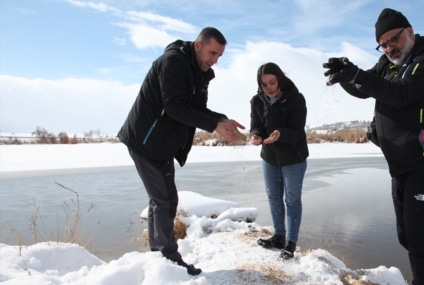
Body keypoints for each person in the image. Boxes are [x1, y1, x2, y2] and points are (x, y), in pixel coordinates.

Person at [322, 8, 424, 285]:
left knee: (419, 238)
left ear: (409, 31)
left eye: (392, 40)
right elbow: (363, 88)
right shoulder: (388, 63)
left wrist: (356, 74)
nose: (388, 48)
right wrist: (345, 75)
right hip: (401, 164)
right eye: (383, 44)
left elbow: (401, 94)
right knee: (406, 236)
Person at [118, 27, 245, 276]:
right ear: (198, 46)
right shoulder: (173, 62)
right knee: (164, 200)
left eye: (219, 55)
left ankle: (160, 258)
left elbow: (197, 108)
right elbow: (175, 107)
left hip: (163, 143)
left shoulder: (200, 73)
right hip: (145, 140)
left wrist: (221, 119)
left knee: (163, 200)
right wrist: (214, 125)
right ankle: (169, 259)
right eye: (212, 53)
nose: (215, 60)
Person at [250, 62, 309, 260]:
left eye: (272, 82)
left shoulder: (296, 99)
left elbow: (298, 132)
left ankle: (290, 244)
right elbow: (256, 126)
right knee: (273, 197)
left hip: (294, 158)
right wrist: (255, 136)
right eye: (264, 84)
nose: (269, 88)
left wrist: (280, 134)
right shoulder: (257, 100)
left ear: (280, 78)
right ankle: (278, 237)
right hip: (269, 158)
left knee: (291, 200)